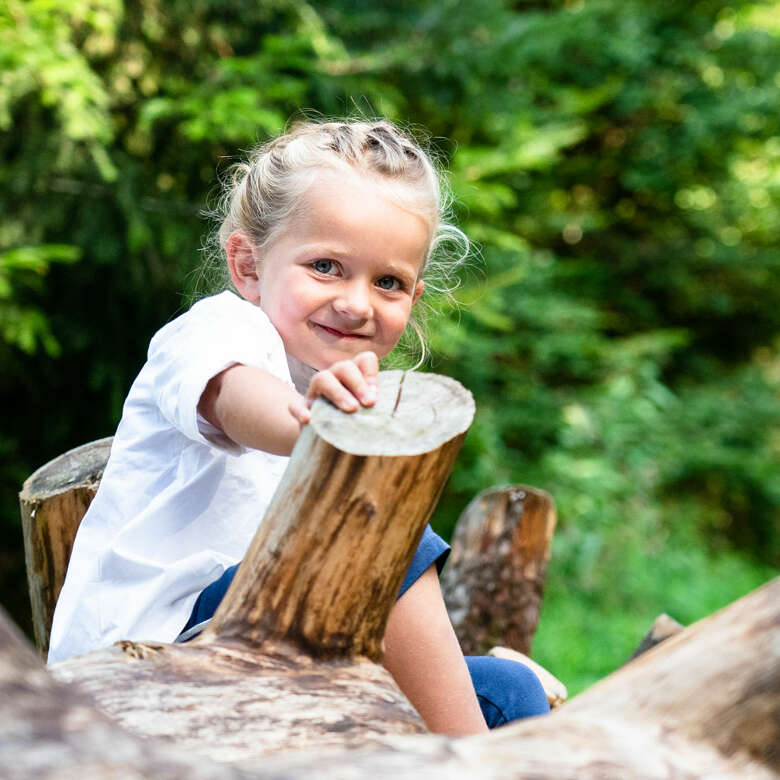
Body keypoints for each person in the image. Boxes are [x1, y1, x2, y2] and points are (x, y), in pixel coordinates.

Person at [48, 119, 549, 734]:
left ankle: (499, 755)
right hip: (152, 658)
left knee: (509, 689)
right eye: (327, 267)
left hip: (276, 649)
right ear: (249, 266)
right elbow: (232, 397)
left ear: (413, 298)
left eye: (387, 282)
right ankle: (477, 769)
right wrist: (319, 431)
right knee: (375, 529)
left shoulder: (338, 379)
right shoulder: (218, 330)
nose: (357, 302)